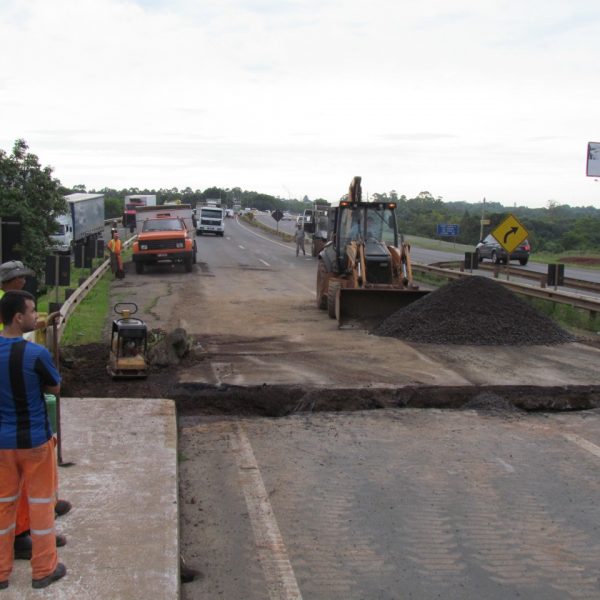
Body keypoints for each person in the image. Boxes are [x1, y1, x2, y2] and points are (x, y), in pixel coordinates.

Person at [0, 262, 71, 561]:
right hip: (22, 403)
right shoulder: (9, 306)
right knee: (27, 488)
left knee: (10, 493)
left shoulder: (12, 308)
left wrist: (40, 325)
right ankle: (25, 540)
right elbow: (53, 386)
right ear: (15, 282)